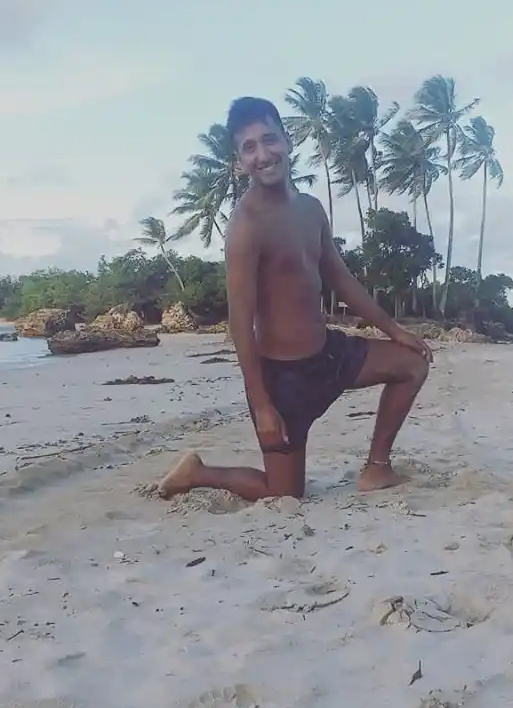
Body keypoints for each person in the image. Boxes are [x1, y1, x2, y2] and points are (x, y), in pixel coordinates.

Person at [158, 96, 432, 501]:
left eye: (269, 139)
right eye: (249, 147)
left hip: (328, 357)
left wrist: (394, 330)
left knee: (412, 364)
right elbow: (240, 321)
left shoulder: (311, 208)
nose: (263, 154)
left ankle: (377, 468)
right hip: (282, 380)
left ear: (287, 141)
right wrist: (263, 404)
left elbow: (340, 278)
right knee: (284, 494)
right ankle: (198, 472)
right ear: (238, 162)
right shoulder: (246, 226)